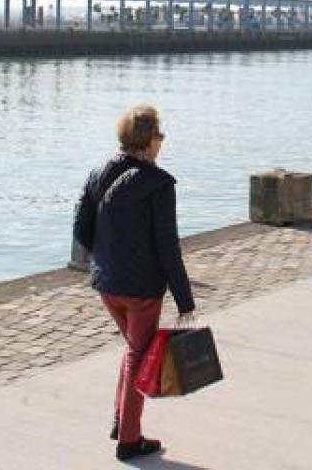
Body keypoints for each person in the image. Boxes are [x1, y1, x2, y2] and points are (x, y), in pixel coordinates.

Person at [74, 104, 195, 461]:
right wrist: (185, 299)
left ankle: (120, 420)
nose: (162, 142)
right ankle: (129, 440)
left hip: (107, 286)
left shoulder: (97, 173)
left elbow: (81, 231)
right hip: (141, 290)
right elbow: (167, 247)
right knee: (139, 357)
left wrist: (107, 258)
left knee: (133, 353)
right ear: (148, 140)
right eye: (160, 135)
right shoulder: (159, 184)